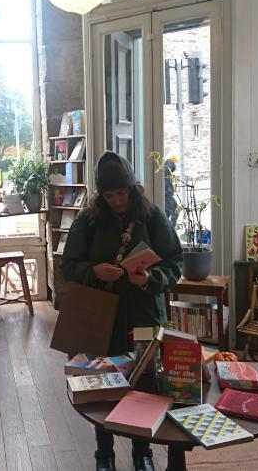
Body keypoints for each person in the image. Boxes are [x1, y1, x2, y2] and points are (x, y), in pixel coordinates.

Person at [60, 151, 183, 471]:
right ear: (101, 195)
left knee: (143, 384)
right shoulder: (88, 220)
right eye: (110, 195)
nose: (117, 201)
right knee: (102, 386)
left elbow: (174, 264)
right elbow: (68, 265)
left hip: (144, 315)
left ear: (133, 187)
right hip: (101, 319)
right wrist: (94, 271)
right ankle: (104, 452)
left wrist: (150, 279)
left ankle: (142, 451)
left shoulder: (152, 216)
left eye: (122, 193)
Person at [164, 155, 179, 228]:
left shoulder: (167, 171)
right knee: (174, 210)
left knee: (167, 212)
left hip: (167, 194)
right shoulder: (166, 167)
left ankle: (167, 229)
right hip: (166, 195)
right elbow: (171, 167)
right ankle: (171, 229)